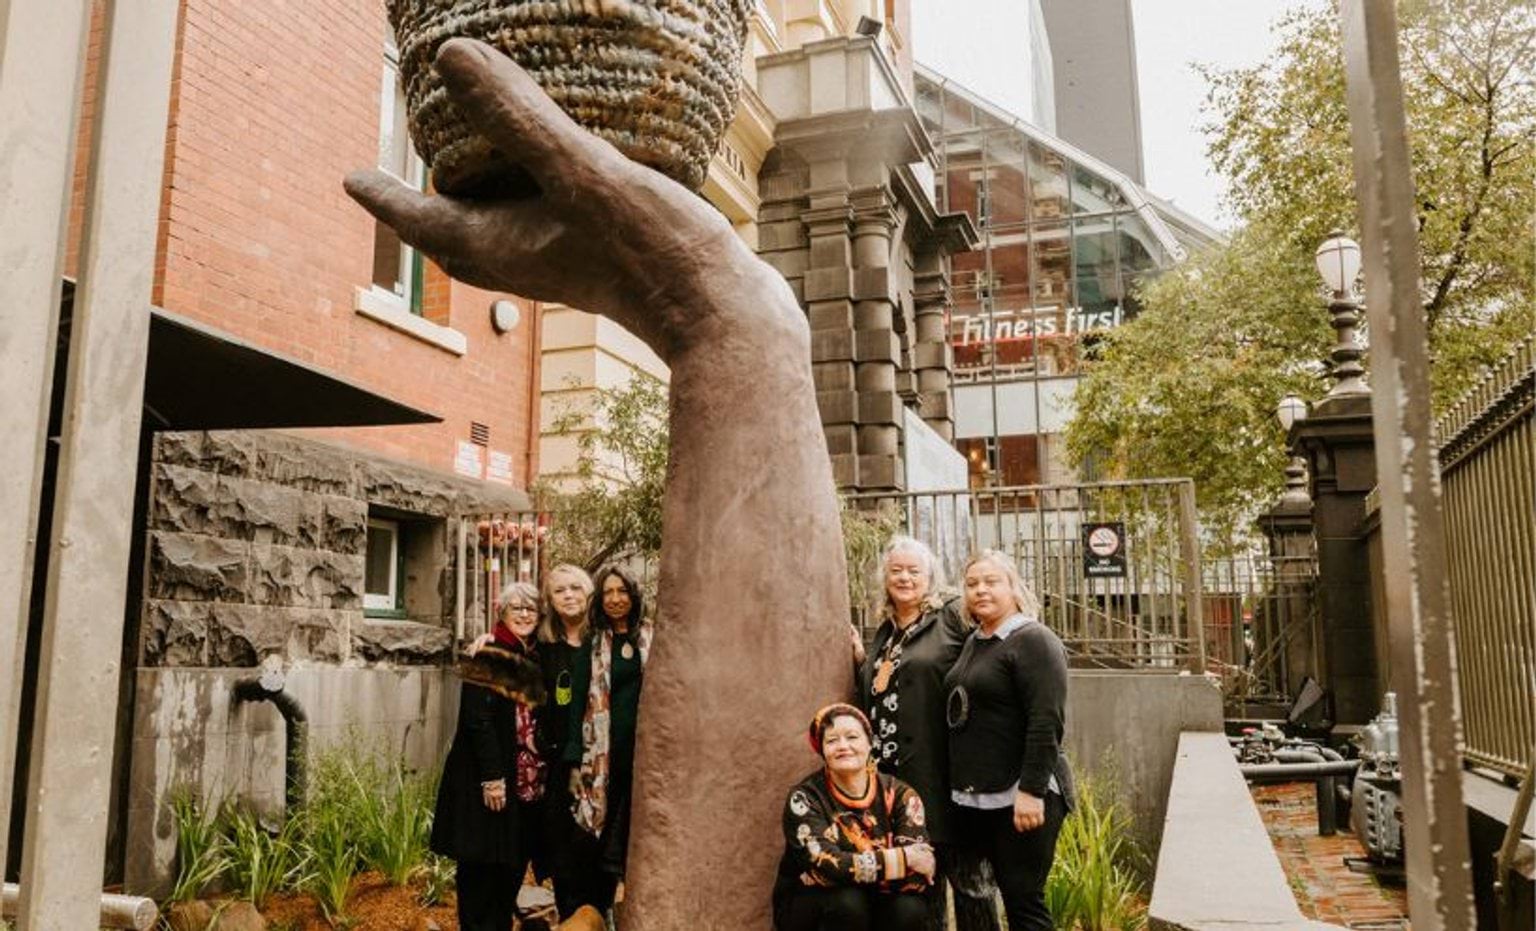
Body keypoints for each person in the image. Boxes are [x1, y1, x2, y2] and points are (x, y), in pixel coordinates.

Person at [346, 39, 851, 927]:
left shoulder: (611, 644)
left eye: (585, 589)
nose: (578, 598)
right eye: (572, 588)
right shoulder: (525, 652)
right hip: (543, 798)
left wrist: (739, 320)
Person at [853, 537, 998, 931]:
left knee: (971, 885)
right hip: (900, 786)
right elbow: (879, 693)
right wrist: (862, 662)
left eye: (913, 570)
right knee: (921, 883)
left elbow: (991, 657)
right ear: (884, 578)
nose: (904, 577)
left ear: (930, 576)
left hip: (949, 777)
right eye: (896, 570)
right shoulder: (885, 633)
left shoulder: (951, 615)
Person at [943, 550, 1075, 931]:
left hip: (1022, 796)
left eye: (990, 581)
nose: (980, 590)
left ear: (1014, 587)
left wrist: (1032, 791)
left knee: (1023, 902)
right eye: (971, 584)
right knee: (978, 895)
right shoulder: (977, 640)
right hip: (978, 796)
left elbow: (1046, 721)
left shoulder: (1033, 639)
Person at [431, 581, 549, 931]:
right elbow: (476, 720)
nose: (525, 614)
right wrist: (493, 778)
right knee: (480, 872)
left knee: (507, 871)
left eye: (531, 609)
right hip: (488, 783)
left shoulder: (534, 656)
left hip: (524, 786)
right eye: (517, 608)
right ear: (503, 613)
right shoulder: (489, 653)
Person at [774, 703, 935, 931]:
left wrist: (845, 868)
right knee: (848, 903)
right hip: (812, 905)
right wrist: (903, 858)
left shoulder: (901, 796)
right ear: (822, 751)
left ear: (870, 744)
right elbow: (828, 866)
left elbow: (916, 878)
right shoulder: (805, 799)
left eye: (852, 737)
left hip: (876, 901)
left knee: (909, 908)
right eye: (831, 741)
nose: (843, 746)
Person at [563, 565, 652, 914]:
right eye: (608, 593)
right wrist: (573, 756)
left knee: (628, 840)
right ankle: (588, 913)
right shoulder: (594, 642)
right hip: (600, 758)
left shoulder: (651, 637)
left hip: (641, 757)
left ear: (634, 595)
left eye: (622, 591)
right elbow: (578, 701)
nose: (615, 599)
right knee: (591, 839)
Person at [535, 563, 593, 918]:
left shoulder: (602, 640)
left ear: (588, 592)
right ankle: (569, 913)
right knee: (560, 846)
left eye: (575, 587)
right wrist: (486, 640)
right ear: (550, 600)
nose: (569, 595)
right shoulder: (543, 645)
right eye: (560, 590)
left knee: (590, 845)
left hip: (595, 758)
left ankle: (594, 915)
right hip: (554, 761)